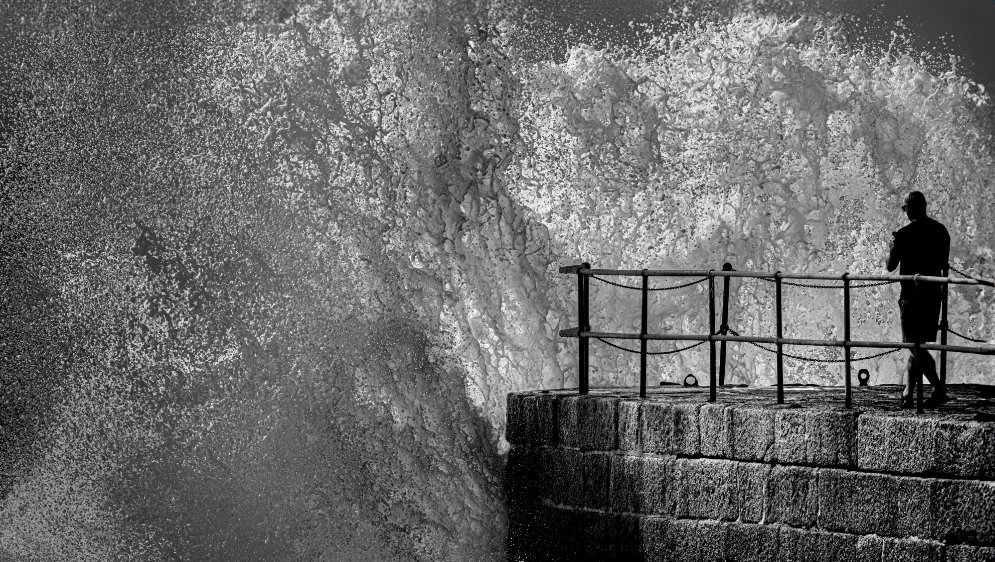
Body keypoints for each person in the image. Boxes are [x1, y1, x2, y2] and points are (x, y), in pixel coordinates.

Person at [886, 191, 951, 408]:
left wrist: (893, 248)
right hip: (933, 296)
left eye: (904, 208)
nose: (904, 212)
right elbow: (943, 262)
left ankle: (938, 389)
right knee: (918, 345)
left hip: (911, 298)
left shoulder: (904, 234)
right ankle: (907, 394)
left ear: (911, 209)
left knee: (913, 345)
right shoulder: (941, 231)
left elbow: (890, 266)